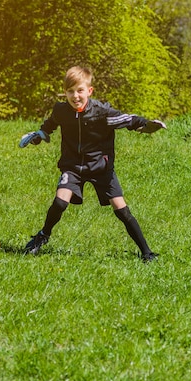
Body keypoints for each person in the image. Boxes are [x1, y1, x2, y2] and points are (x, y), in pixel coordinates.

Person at [19, 66, 165, 262]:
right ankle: (42, 236)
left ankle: (147, 253)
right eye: (70, 91)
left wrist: (147, 125)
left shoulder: (102, 113)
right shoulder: (61, 111)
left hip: (101, 168)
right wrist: (39, 135)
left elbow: (129, 120)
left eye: (80, 90)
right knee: (60, 201)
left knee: (121, 209)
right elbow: (51, 123)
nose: (75, 96)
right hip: (73, 166)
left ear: (89, 90)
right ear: (65, 92)